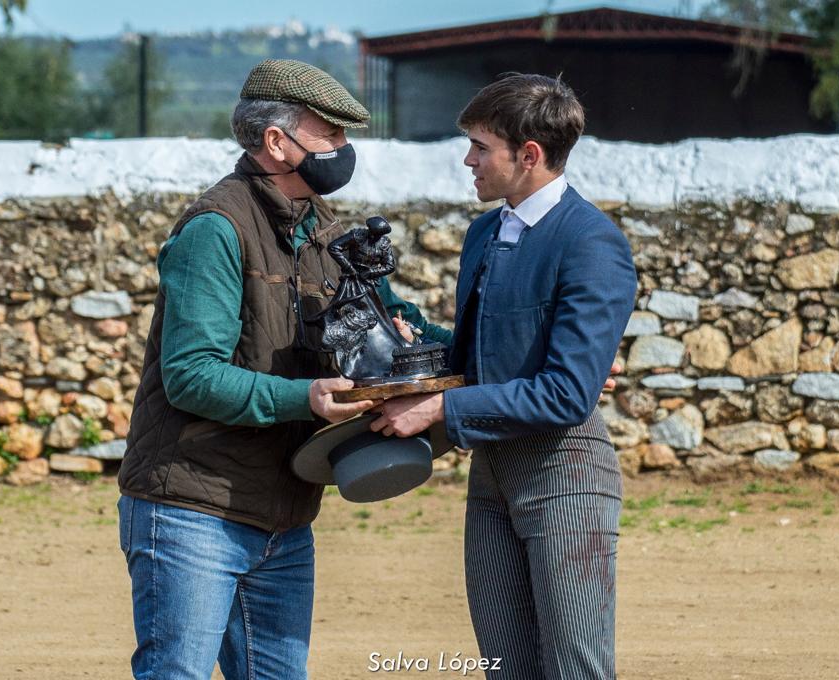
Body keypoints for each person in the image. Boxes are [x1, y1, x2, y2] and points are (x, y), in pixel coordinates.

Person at [115, 59, 444, 680]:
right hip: (192, 508)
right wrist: (307, 399)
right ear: (276, 141)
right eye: (331, 134)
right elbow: (191, 375)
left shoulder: (326, 232)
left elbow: (409, 325)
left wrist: (519, 357)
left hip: (286, 518)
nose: (343, 150)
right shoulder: (215, 229)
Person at [371, 73, 638, 679]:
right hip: (492, 477)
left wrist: (440, 409)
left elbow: (568, 394)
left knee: (573, 672)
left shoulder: (592, 242)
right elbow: (478, 359)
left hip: (565, 475)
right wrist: (405, 336)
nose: (468, 160)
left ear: (530, 155)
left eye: (480, 147)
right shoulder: (485, 233)